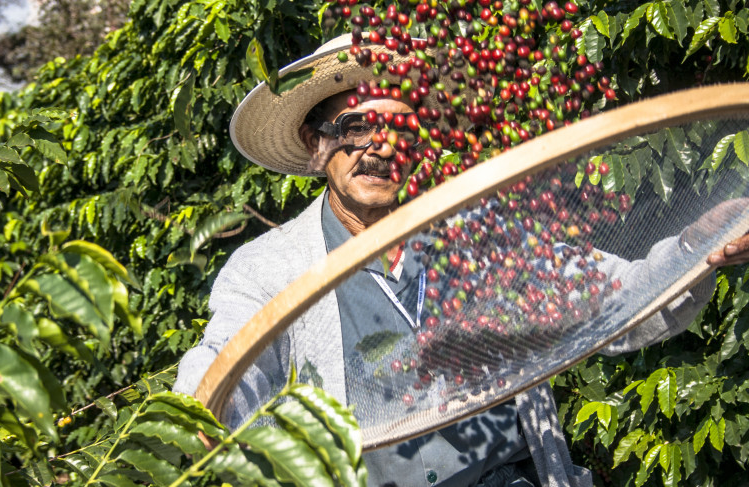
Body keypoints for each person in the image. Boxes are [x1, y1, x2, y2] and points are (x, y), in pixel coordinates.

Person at [173, 35, 749, 486]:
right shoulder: (267, 269)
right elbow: (227, 359)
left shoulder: (478, 236)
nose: (380, 147)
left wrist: (694, 248)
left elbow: (611, 302)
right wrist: (193, 421)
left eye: (400, 128)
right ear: (316, 143)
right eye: (356, 128)